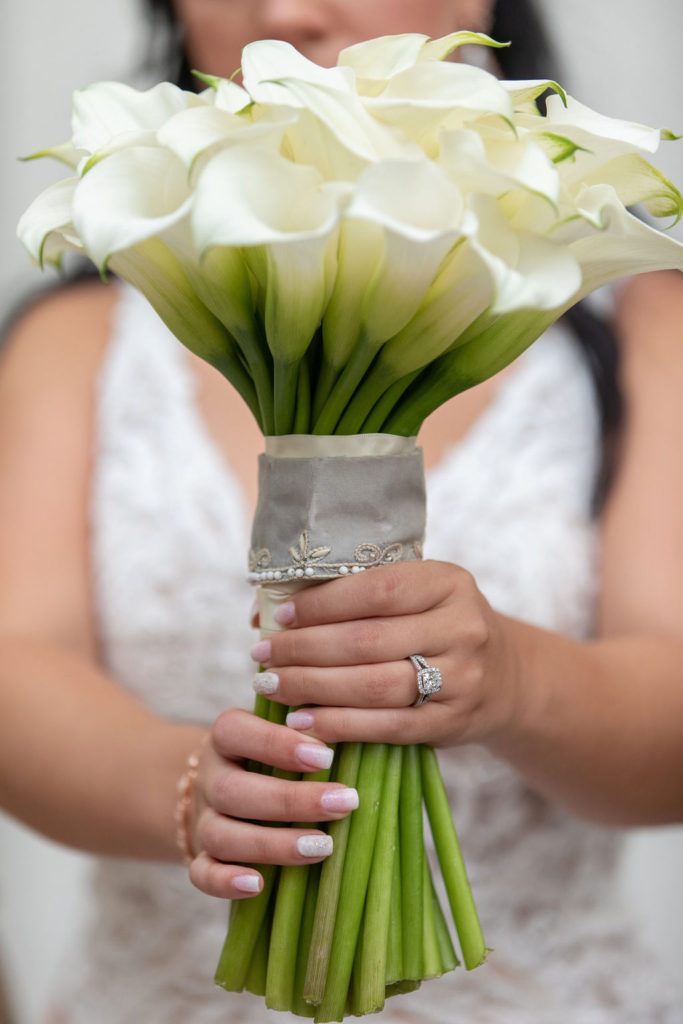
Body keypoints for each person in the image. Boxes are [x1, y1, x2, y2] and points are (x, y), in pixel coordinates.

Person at [1, 0, 682, 1021]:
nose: (281, 12)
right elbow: (17, 662)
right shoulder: (79, 337)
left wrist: (512, 677)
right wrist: (191, 789)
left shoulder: (641, 332)